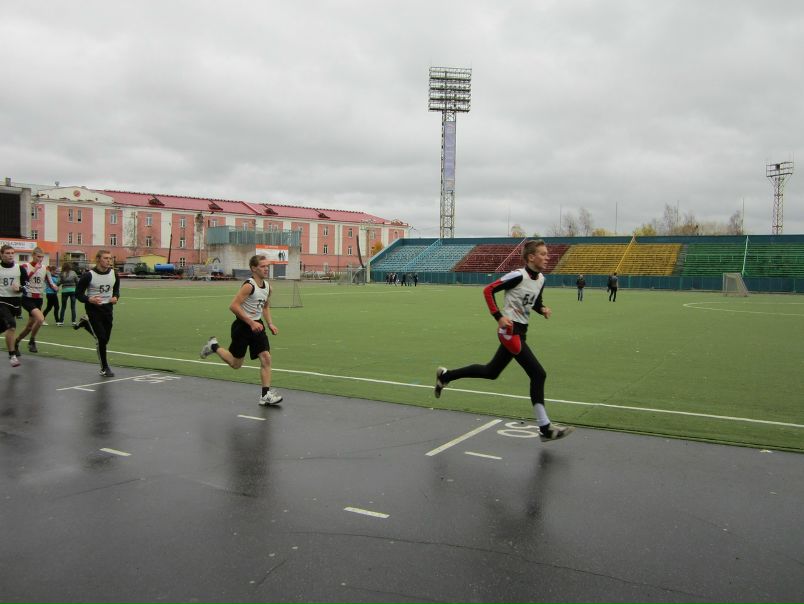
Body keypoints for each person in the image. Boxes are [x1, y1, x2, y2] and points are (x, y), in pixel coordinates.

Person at [433, 239, 574, 442]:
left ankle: (445, 376)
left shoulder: (541, 279)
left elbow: (534, 301)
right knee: (538, 374)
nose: (547, 257)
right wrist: (498, 316)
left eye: (547, 253)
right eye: (543, 254)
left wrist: (541, 309)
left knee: (491, 372)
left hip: (521, 331)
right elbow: (488, 290)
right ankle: (545, 428)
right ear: (531, 257)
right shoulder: (517, 276)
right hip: (509, 331)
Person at [199, 254, 283, 406]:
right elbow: (234, 306)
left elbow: (265, 306)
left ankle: (265, 395)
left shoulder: (268, 287)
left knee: (266, 358)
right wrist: (250, 322)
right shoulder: (249, 286)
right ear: (253, 268)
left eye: (267, 266)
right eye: (263, 266)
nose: (266, 269)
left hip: (258, 327)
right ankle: (213, 346)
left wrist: (270, 323)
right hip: (243, 327)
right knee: (236, 364)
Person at [74, 250, 120, 377]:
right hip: (93, 310)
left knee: (105, 339)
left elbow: (116, 290)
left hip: (108, 310)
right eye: (105, 258)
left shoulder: (114, 274)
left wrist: (116, 297)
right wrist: (89, 299)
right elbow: (78, 294)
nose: (108, 261)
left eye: (110, 258)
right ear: (98, 259)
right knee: (101, 339)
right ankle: (104, 367)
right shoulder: (89, 275)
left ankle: (84, 324)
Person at [14, 247, 49, 353]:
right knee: (40, 319)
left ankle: (16, 342)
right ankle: (32, 341)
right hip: (27, 298)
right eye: (38, 256)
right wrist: (34, 270)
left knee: (29, 326)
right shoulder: (25, 266)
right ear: (33, 255)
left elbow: (49, 280)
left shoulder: (44, 268)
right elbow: (24, 280)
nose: (40, 259)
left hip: (39, 298)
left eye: (42, 257)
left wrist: (54, 286)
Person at [0, 244, 25, 367]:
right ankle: (12, 355)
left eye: (12, 253)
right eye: (7, 253)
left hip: (15, 302)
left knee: (4, 327)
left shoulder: (20, 268)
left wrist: (20, 288)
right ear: (1, 254)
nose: (10, 255)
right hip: (1, 301)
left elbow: (27, 286)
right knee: (12, 325)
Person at [57, 261, 79, 326]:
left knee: (63, 307)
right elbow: (77, 282)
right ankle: (73, 322)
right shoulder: (74, 273)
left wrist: (55, 286)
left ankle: (61, 322)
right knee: (73, 307)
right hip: (73, 291)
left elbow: (59, 282)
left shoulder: (61, 273)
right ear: (70, 267)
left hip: (64, 291)